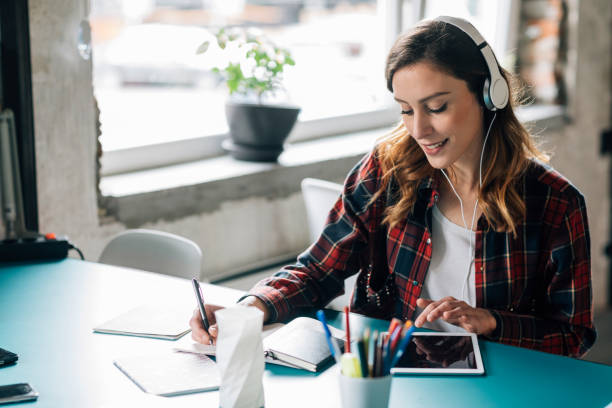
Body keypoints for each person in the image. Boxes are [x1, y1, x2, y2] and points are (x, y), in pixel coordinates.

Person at [190, 16, 596, 358]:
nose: (419, 129)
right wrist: (250, 308)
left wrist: (492, 322)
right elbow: (318, 271)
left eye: (436, 107)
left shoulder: (556, 203)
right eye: (406, 110)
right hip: (391, 377)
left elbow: (573, 334)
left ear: (490, 95)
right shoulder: (388, 171)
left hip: (503, 385)